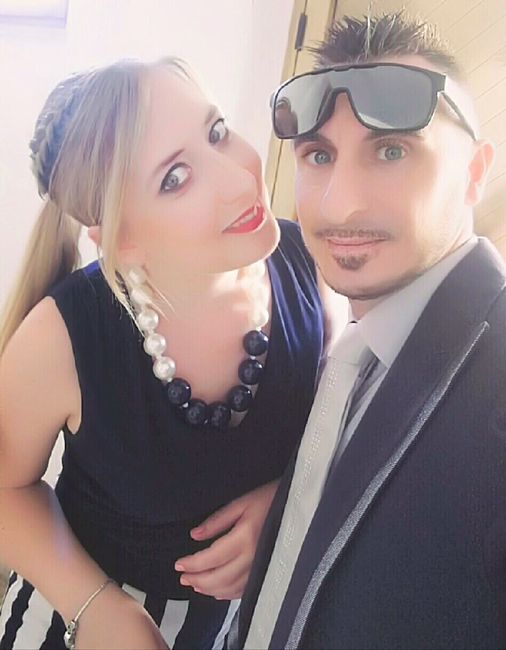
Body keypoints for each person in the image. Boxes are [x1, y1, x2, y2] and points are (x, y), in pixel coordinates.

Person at [235, 12, 506, 650]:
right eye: (318, 155)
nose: (340, 204)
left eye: (391, 150)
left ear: (475, 172)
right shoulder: (348, 353)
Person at [0, 57, 328, 649]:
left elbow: (339, 428)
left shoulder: (310, 267)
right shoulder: (65, 333)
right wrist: (96, 607)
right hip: (84, 619)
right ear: (124, 238)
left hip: (247, 623)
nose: (239, 178)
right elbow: (6, 487)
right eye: (175, 177)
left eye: (217, 132)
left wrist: (288, 499)